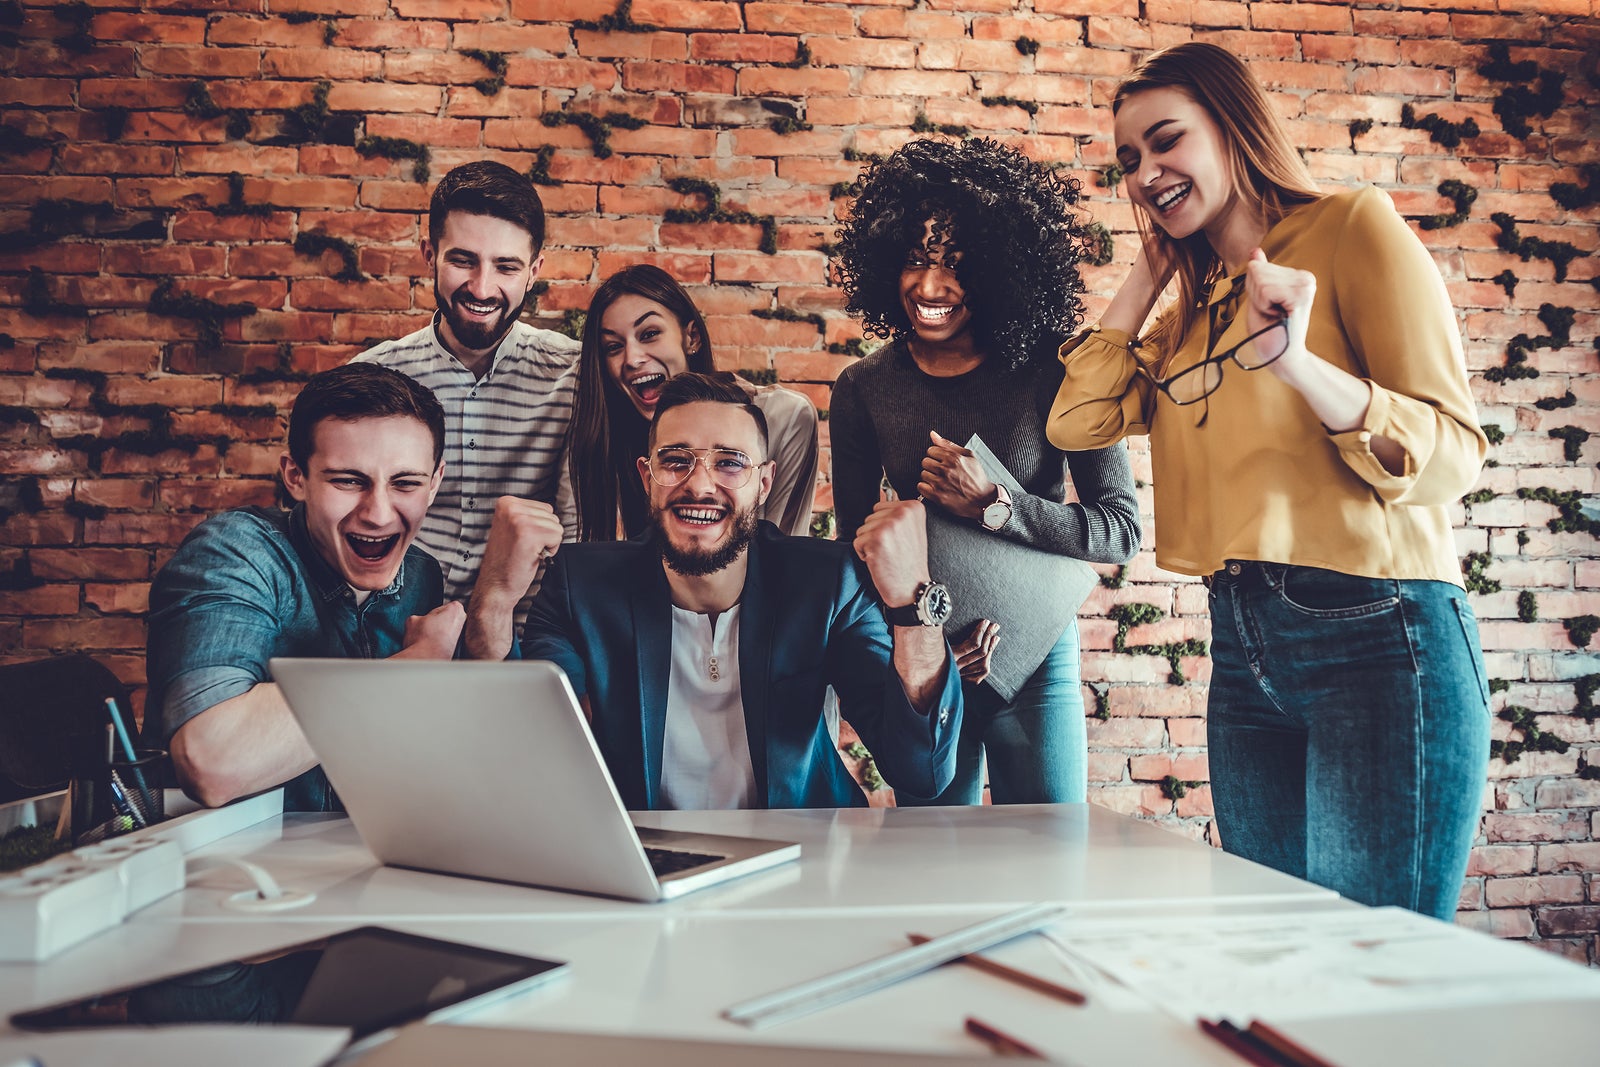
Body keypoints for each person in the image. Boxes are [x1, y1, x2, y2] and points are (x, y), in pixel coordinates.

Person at [1047, 42, 1489, 918]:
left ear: (1234, 126)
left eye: (1167, 141)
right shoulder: (1192, 309)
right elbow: (1078, 421)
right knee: (1281, 956)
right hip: (1243, 648)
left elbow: (1453, 454)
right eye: (1129, 160)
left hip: (1378, 634)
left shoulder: (1352, 227)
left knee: (1374, 972)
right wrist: (1150, 272)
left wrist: (1301, 367)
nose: (1145, 173)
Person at [829, 138, 1140, 806]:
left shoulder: (1055, 373)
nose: (930, 287)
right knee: (938, 866)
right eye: (915, 261)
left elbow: (1119, 533)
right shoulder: (864, 387)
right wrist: (918, 643)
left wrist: (996, 504)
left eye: (957, 266)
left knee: (1053, 852)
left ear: (1003, 270)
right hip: (932, 660)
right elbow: (852, 552)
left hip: (1036, 656)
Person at [522, 373, 962, 810]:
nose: (698, 484)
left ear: (764, 483)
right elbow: (539, 753)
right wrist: (498, 597)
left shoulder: (828, 583)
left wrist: (912, 605)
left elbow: (921, 772)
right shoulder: (579, 586)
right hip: (644, 858)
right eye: (676, 460)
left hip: (802, 855)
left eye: (729, 462)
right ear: (646, 476)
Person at [145, 364, 552, 811]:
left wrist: (494, 605)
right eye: (348, 481)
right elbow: (213, 761)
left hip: (363, 863)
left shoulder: (421, 575)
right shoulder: (234, 552)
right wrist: (418, 663)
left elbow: (485, 767)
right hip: (227, 871)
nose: (378, 513)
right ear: (296, 477)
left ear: (434, 484)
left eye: (406, 483)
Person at [352, 161, 578, 649]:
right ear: (429, 255)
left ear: (534, 271)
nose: (481, 287)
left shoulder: (576, 377)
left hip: (528, 642)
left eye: (507, 266)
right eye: (463, 260)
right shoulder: (372, 377)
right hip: (392, 635)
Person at [563, 264, 820, 542]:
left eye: (649, 334)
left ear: (692, 337)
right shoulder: (607, 436)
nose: (632, 359)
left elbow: (782, 554)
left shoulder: (781, 416)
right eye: (613, 347)